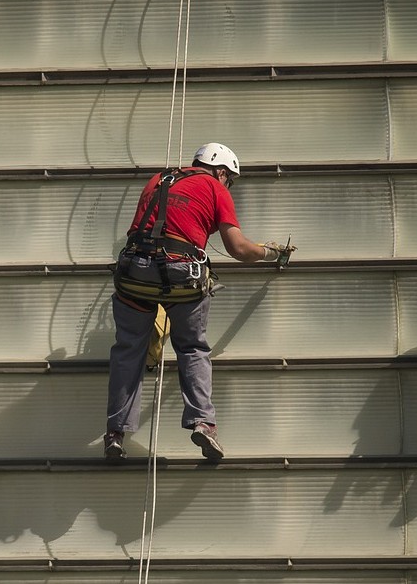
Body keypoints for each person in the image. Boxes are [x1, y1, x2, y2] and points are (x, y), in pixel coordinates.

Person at [104, 142, 290, 462]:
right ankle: (203, 423)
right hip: (181, 276)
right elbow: (239, 249)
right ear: (220, 171)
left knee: (128, 350)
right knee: (191, 347)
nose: (227, 185)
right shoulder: (215, 188)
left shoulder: (157, 180)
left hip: (134, 273)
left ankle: (115, 433)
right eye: (228, 179)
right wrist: (270, 252)